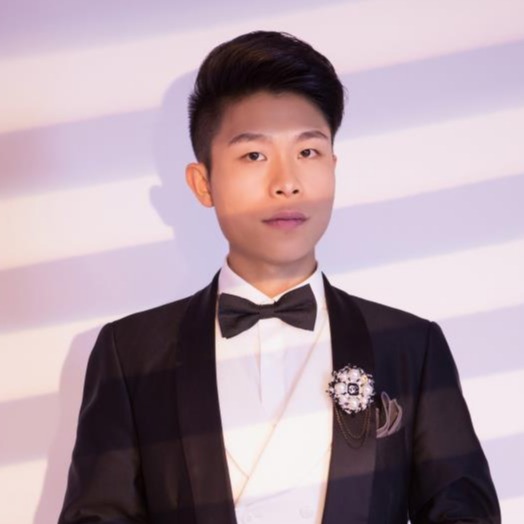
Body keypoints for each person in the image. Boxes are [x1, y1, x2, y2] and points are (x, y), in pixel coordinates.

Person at [58, 31, 500, 524]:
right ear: (203, 183)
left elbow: (465, 514)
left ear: (333, 166)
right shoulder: (131, 354)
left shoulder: (410, 346)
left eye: (308, 152)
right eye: (254, 155)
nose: (287, 182)